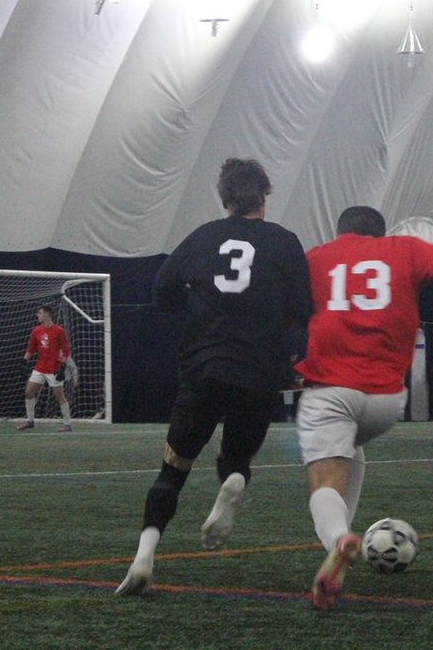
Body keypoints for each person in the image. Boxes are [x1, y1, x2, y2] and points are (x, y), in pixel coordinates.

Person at [117, 158, 313, 596]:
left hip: (203, 368)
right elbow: (306, 308)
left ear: (225, 199)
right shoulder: (283, 242)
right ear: (264, 196)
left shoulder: (202, 237)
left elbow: (161, 293)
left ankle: (144, 554)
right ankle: (235, 481)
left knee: (172, 470)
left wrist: (198, 302)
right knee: (235, 459)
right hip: (259, 371)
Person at [294, 205, 433, 610]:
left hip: (331, 392)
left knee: (324, 483)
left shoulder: (316, 257)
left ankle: (339, 540)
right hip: (387, 401)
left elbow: (281, 304)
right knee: (352, 448)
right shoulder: (404, 249)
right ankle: (340, 545)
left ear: (340, 233)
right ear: (380, 232)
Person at [17, 305, 73, 432]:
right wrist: (24, 361)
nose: (38, 315)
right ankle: (30, 421)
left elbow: (66, 350)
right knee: (29, 392)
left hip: (54, 368)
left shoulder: (59, 331)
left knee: (59, 395)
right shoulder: (36, 331)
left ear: (47, 314)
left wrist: (62, 367)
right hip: (40, 367)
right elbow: (30, 349)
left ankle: (68, 424)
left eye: (40, 313)